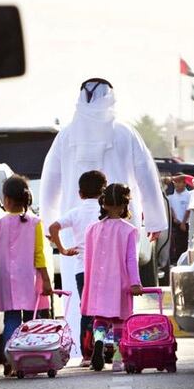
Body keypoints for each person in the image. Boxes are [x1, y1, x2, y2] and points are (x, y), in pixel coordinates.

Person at [39, 78, 168, 358]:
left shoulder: (66, 136)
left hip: (79, 229)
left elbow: (50, 180)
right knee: (121, 284)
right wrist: (155, 220)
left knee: (81, 291)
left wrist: (49, 222)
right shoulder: (125, 133)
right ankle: (120, 345)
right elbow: (146, 176)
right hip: (122, 224)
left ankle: (80, 346)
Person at [0, 175, 54, 377]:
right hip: (28, 278)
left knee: (11, 319)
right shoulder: (35, 223)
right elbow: (39, 255)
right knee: (31, 320)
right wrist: (46, 280)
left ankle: (10, 359)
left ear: (6, 200)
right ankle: (29, 357)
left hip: (5, 279)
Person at [80, 183, 144, 372]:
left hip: (98, 283)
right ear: (124, 205)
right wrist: (135, 283)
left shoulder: (92, 229)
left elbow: (88, 259)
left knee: (100, 319)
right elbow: (131, 260)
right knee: (119, 322)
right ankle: (117, 359)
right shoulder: (128, 230)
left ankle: (98, 342)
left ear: (104, 204)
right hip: (120, 283)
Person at [47, 170, 108, 367]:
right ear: (104, 191)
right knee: (107, 311)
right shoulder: (105, 213)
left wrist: (63, 250)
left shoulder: (76, 213)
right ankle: (106, 346)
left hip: (83, 270)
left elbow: (53, 227)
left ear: (80, 193)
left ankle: (87, 355)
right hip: (106, 270)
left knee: (87, 311)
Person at [167, 173, 191, 265]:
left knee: (185, 244)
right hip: (176, 225)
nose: (177, 184)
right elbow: (171, 208)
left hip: (186, 225)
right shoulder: (171, 197)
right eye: (175, 182)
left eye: (179, 182)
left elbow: (188, 209)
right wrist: (175, 218)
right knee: (176, 244)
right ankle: (176, 261)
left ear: (184, 183)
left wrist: (183, 223)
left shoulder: (189, 195)